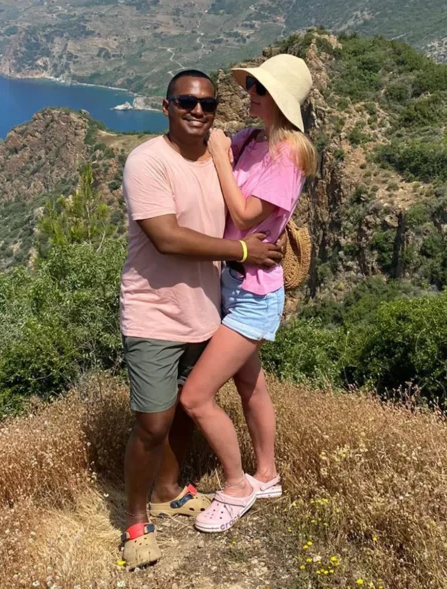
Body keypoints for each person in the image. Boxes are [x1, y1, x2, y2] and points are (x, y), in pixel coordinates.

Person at [118, 69, 283, 570]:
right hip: (153, 311)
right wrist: (243, 251)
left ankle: (168, 491)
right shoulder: (147, 161)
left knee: (189, 408)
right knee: (153, 422)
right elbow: (166, 237)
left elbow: (255, 196)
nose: (197, 111)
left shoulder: (220, 158)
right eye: (186, 102)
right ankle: (135, 521)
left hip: (207, 309)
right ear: (165, 106)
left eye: (207, 104)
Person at [178, 54, 317, 533]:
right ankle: (268, 475)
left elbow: (243, 212)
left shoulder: (290, 153)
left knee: (196, 397)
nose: (249, 94)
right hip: (232, 282)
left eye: (259, 89)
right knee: (250, 386)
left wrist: (221, 155)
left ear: (278, 98)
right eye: (252, 86)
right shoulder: (253, 139)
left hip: (255, 296)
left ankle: (237, 487)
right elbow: (208, 152)